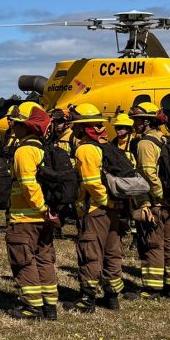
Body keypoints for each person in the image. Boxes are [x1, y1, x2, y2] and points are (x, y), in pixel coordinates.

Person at [62, 103, 124, 314]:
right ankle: (112, 297)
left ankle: (87, 300)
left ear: (81, 127)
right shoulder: (107, 146)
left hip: (95, 210)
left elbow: (91, 182)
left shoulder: (86, 148)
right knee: (112, 252)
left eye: (76, 125)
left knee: (91, 252)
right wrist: (113, 203)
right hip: (112, 209)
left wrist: (103, 201)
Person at [5, 101, 59, 320]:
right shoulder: (43, 150)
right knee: (44, 259)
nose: (13, 128)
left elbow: (28, 185)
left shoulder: (24, 151)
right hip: (45, 217)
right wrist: (48, 212)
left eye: (16, 124)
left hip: (26, 216)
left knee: (24, 261)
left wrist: (41, 208)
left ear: (25, 126)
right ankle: (49, 306)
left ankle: (32, 307)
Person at [126, 102, 170, 300]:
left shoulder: (145, 143)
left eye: (137, 120)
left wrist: (157, 198)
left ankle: (152, 289)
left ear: (147, 121)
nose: (134, 124)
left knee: (153, 244)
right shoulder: (168, 140)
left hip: (157, 203)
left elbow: (148, 174)